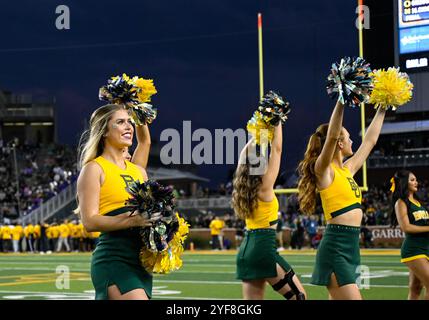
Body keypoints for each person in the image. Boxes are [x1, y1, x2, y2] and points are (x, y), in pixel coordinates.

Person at [297, 99, 386, 300]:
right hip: (336, 246)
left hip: (351, 245)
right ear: (339, 142)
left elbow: (370, 141)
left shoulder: (348, 169)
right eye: (348, 137)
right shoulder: (324, 171)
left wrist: (384, 107)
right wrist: (342, 100)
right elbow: (331, 136)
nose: (353, 140)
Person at [76, 104, 156, 300]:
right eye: (120, 122)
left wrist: (136, 105)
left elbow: (145, 142)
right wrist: (131, 221)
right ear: (103, 131)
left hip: (139, 259)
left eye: (130, 122)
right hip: (114, 257)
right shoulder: (94, 169)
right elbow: (89, 222)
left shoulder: (138, 171)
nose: (128, 126)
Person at [232, 123, 306, 300]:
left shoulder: (242, 188)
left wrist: (260, 133)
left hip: (246, 250)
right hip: (264, 248)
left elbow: (243, 156)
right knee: (300, 297)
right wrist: (277, 121)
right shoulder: (264, 187)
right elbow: (277, 150)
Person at [391, 170, 429, 300]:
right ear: (403, 182)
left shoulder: (418, 202)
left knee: (415, 289)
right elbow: (405, 227)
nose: (416, 182)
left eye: (416, 179)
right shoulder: (401, 202)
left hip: (425, 248)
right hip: (414, 250)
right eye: (412, 180)